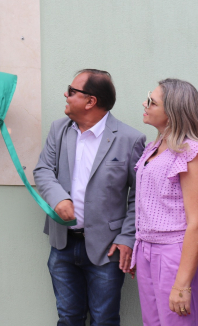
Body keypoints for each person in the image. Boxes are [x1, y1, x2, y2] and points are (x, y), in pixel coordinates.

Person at [33, 69, 145, 326]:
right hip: (62, 244)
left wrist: (127, 237)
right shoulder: (59, 129)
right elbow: (43, 170)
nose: (65, 94)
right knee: (68, 318)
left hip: (107, 249)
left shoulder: (130, 139)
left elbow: (139, 196)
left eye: (72, 91)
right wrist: (59, 199)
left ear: (90, 101)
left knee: (104, 320)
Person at [132, 79, 198, 325]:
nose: (145, 104)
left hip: (176, 254)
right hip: (148, 249)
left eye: (152, 101)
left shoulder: (191, 152)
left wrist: (182, 284)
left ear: (172, 113)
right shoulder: (154, 147)